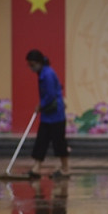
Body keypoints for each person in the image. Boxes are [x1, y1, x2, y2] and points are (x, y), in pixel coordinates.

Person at [25, 48, 70, 179]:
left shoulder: (48, 74)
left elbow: (50, 95)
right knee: (42, 141)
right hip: (47, 115)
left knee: (59, 142)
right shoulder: (42, 73)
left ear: (39, 62)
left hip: (56, 114)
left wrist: (41, 105)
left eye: (32, 65)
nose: (31, 68)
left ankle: (65, 168)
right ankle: (36, 168)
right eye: (29, 65)